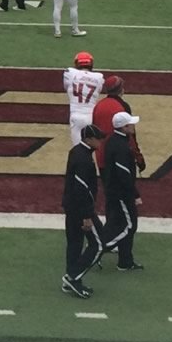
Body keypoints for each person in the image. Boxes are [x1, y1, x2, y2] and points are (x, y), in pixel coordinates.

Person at [62, 124, 105, 299]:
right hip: (81, 210)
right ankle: (73, 277)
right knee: (99, 243)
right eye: (97, 138)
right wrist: (87, 215)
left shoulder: (76, 152)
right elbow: (82, 189)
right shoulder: (84, 159)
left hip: (71, 206)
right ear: (88, 139)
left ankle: (72, 279)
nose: (100, 141)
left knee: (75, 243)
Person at [100, 111, 144, 272]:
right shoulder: (121, 146)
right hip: (121, 194)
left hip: (115, 191)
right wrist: (135, 194)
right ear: (124, 127)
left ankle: (125, 261)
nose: (133, 126)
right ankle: (98, 250)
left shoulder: (114, 141)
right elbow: (124, 175)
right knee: (129, 226)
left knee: (117, 224)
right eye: (130, 124)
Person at [62, 49, 106, 146]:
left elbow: (66, 87)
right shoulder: (99, 77)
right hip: (91, 115)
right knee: (91, 147)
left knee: (78, 148)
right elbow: (98, 90)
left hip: (76, 115)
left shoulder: (70, 73)